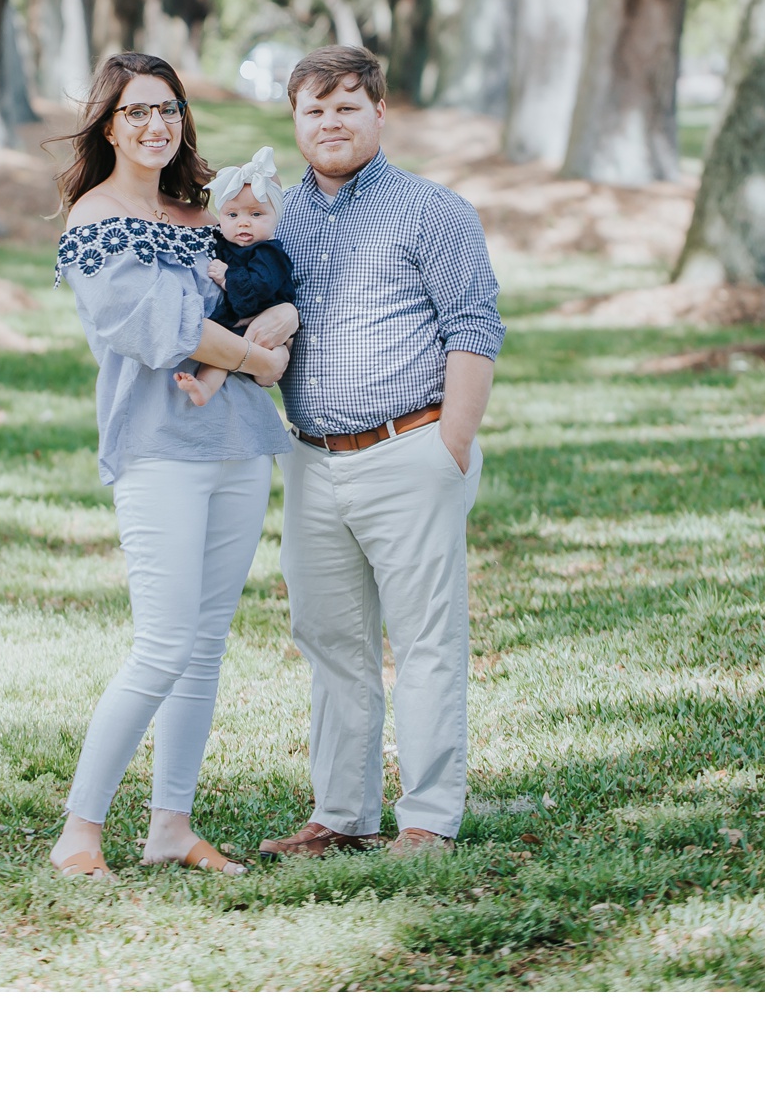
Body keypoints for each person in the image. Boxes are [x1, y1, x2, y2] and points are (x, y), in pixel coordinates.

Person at [48, 53, 298, 881]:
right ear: (108, 125)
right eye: (136, 112)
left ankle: (169, 826)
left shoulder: (198, 212)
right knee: (160, 645)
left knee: (203, 647)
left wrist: (272, 327)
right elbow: (157, 326)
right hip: (159, 449)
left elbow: (255, 292)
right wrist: (258, 362)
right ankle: (80, 834)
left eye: (169, 111)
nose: (156, 126)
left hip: (234, 446)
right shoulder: (97, 219)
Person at [253, 45, 505, 860]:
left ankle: (427, 820)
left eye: (346, 106)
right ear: (294, 121)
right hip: (310, 460)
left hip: (411, 449)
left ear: (378, 112)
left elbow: (474, 327)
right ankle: (343, 815)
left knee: (425, 642)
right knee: (330, 641)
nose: (329, 122)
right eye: (313, 109)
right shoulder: (275, 218)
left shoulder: (432, 212)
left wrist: (450, 448)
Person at [174, 147, 298, 409]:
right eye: (233, 215)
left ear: (276, 217)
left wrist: (228, 277)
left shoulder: (269, 253)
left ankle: (254, 377)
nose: (243, 223)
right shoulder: (225, 243)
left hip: (265, 320)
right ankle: (204, 388)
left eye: (256, 214)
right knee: (221, 352)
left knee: (261, 352)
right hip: (235, 323)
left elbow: (261, 287)